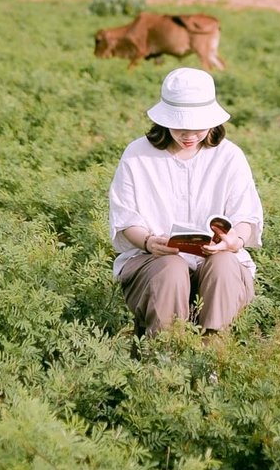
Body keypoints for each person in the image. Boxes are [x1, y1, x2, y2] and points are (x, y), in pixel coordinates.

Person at [108, 66, 263, 336]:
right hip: (154, 262)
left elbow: (245, 217)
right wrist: (148, 242)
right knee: (171, 267)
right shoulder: (136, 154)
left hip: (217, 266)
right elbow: (126, 219)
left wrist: (233, 241)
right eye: (179, 125)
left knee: (225, 263)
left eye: (198, 126)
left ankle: (212, 352)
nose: (189, 135)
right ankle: (165, 356)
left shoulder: (230, 156)